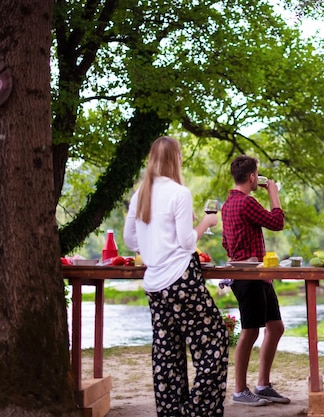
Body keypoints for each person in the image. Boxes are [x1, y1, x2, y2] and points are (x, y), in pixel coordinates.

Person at [123, 136, 229, 417]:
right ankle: (197, 411)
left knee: (167, 353)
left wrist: (152, 247)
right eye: (180, 155)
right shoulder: (179, 193)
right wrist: (206, 222)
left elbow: (129, 239)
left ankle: (171, 412)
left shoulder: (140, 194)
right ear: (175, 159)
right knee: (214, 343)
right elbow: (186, 243)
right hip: (182, 280)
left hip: (155, 285)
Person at [221, 155, 289, 407]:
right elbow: (277, 222)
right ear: (252, 177)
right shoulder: (246, 202)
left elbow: (225, 243)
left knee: (276, 327)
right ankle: (239, 390)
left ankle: (263, 385)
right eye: (257, 174)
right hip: (247, 277)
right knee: (250, 330)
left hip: (257, 275)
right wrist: (273, 193)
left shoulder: (228, 204)